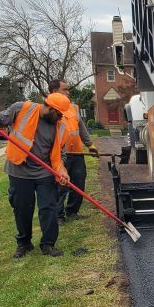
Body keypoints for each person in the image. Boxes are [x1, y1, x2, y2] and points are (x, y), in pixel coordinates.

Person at [0, 91, 71, 258]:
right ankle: (24, 243)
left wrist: (62, 171)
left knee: (49, 207)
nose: (61, 118)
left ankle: (48, 244)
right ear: (51, 109)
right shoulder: (21, 108)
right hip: (19, 170)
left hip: (44, 172)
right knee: (22, 209)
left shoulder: (61, 126)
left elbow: (59, 154)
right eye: (59, 114)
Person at [54, 79, 98, 221]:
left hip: (77, 153)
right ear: (55, 91)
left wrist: (90, 145)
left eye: (68, 89)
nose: (68, 92)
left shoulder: (73, 107)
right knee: (60, 185)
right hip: (60, 155)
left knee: (79, 182)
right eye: (65, 89)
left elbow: (81, 128)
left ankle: (72, 212)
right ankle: (59, 215)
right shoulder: (50, 108)